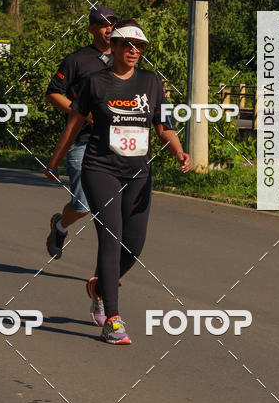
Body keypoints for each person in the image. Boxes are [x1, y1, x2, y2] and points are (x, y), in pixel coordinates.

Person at [45, 19, 190, 345]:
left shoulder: (151, 83)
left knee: (134, 246)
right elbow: (73, 125)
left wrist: (179, 151)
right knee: (111, 238)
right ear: (117, 46)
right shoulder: (95, 83)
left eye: (140, 47)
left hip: (138, 173)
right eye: (128, 45)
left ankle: (99, 287)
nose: (134, 51)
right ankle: (112, 319)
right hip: (101, 170)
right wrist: (55, 162)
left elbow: (163, 125)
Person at [45, 6, 117, 260]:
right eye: (102, 24)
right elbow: (53, 92)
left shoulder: (125, 57)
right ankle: (60, 225)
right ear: (91, 29)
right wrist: (82, 113)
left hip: (117, 144)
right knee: (83, 205)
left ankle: (110, 267)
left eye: (112, 23)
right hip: (83, 141)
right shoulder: (77, 60)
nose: (109, 28)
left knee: (114, 210)